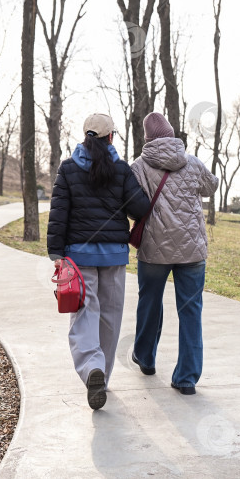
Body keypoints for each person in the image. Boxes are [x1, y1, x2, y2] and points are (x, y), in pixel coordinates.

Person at [47, 113, 150, 410]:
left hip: (78, 258)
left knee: (84, 315)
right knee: (110, 317)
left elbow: (58, 213)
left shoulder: (68, 168)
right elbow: (140, 208)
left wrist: (56, 254)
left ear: (85, 135)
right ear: (111, 137)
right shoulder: (121, 169)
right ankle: (101, 378)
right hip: (114, 256)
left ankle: (92, 366)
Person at [129, 112, 219, 396]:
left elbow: (132, 204)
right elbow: (211, 187)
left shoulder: (138, 167)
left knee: (149, 302)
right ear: (171, 134)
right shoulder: (192, 162)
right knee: (191, 311)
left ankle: (145, 358)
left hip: (154, 250)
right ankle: (187, 378)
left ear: (147, 139)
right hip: (192, 250)